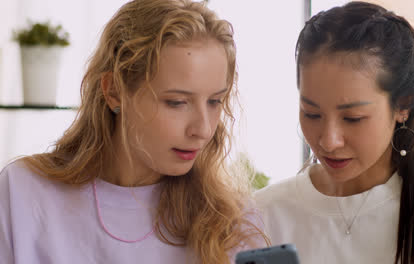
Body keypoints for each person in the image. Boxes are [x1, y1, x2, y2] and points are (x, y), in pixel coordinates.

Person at [0, 0, 268, 263]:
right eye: (176, 102)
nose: (204, 129)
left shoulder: (232, 223)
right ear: (114, 91)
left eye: (215, 101)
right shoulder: (23, 193)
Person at [255, 1, 414, 264]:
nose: (328, 141)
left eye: (353, 118)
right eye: (312, 114)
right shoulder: (262, 215)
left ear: (403, 105)